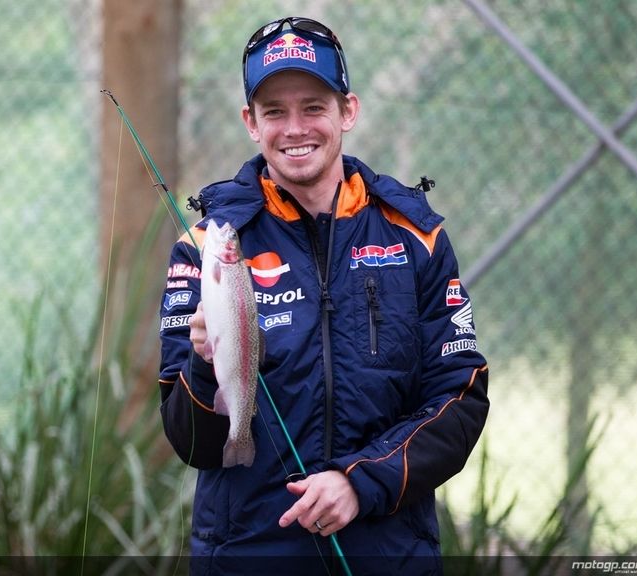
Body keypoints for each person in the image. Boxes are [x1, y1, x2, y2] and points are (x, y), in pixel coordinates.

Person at [157, 16, 490, 575]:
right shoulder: (207, 247)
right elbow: (190, 444)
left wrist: (361, 483)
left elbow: (461, 398)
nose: (295, 128)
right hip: (246, 558)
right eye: (274, 112)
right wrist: (204, 363)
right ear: (250, 122)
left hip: (389, 556)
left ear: (348, 111)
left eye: (313, 106)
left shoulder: (417, 237)